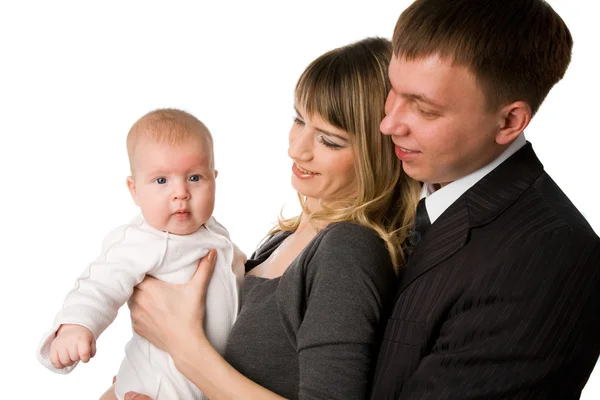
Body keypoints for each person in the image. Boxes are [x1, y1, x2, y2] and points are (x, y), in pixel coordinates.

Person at [121, 37, 421, 400]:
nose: (296, 148)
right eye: (299, 119)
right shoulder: (283, 238)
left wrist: (184, 347)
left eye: (329, 140)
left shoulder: (348, 250)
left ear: (379, 153)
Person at [369, 0, 600, 398]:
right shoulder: (388, 179)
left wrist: (218, 376)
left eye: (424, 108)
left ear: (510, 121)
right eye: (394, 90)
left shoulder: (551, 256)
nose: (388, 123)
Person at [36, 109, 246, 400]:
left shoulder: (213, 232)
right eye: (162, 181)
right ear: (134, 190)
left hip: (208, 382)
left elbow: (235, 270)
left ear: (215, 178)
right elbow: (100, 284)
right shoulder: (141, 240)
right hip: (157, 389)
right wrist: (76, 325)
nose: (181, 193)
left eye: (195, 177)